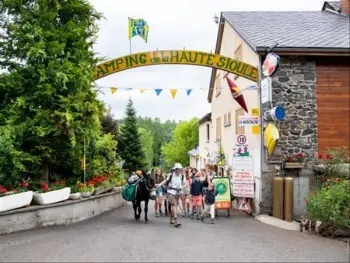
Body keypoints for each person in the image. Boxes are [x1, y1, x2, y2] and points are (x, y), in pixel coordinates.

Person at [156, 163, 185, 228]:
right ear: (175, 169)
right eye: (177, 170)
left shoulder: (182, 176)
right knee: (174, 204)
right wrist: (160, 184)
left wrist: (182, 190)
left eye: (179, 170)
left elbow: (183, 184)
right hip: (170, 192)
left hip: (177, 192)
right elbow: (165, 181)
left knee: (174, 206)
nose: (178, 171)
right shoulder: (171, 175)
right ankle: (176, 221)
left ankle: (171, 218)